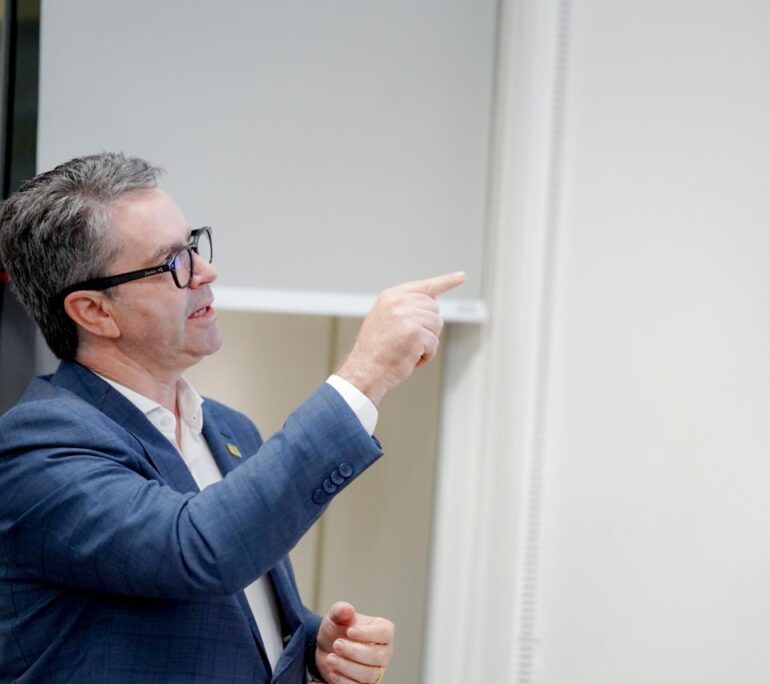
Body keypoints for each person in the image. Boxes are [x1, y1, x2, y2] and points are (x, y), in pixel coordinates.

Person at [0, 152, 465, 683]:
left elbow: (217, 608)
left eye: (193, 245)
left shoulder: (228, 429)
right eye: (173, 262)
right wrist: (366, 374)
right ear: (95, 311)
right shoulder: (36, 448)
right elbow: (198, 549)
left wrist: (310, 645)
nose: (206, 271)